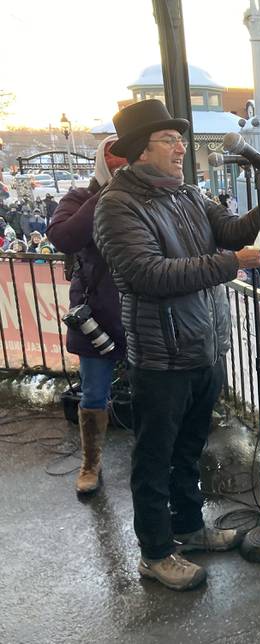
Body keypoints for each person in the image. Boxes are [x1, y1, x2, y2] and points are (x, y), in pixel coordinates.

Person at [94, 99, 260, 591]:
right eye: (169, 140)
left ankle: (189, 529)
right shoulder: (117, 206)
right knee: (155, 458)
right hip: (161, 356)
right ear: (138, 151)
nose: (180, 147)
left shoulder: (186, 194)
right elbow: (146, 274)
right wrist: (231, 262)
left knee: (189, 450)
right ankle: (154, 552)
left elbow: (232, 231)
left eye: (179, 139)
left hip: (203, 347)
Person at [47, 135, 128, 494]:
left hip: (142, 313)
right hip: (98, 312)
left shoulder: (142, 198)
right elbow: (63, 237)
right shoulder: (81, 197)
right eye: (113, 156)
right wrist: (106, 193)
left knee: (157, 393)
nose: (120, 162)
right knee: (94, 393)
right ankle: (90, 464)